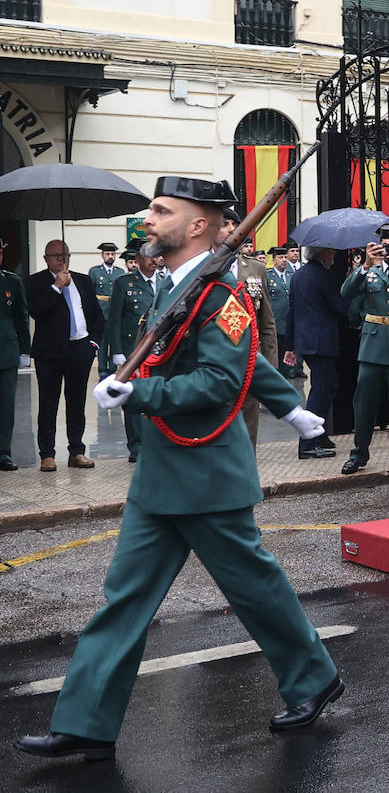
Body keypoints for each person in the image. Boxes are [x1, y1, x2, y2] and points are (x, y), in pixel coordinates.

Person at [15, 176, 340, 763]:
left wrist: (136, 394)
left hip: (207, 472)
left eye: (162, 211)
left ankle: (314, 678)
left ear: (198, 226)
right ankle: (86, 721)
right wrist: (292, 408)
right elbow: (231, 364)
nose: (150, 218)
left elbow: (221, 380)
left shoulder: (219, 297)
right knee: (124, 599)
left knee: (255, 590)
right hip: (165, 472)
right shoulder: (177, 288)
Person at [339, 223, 389, 492]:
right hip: (373, 346)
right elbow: (346, 293)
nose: (388, 248)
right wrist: (364, 264)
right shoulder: (369, 271)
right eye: (385, 243)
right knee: (363, 406)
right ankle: (358, 454)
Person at [26, 240, 104, 472]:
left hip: (80, 349)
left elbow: (98, 317)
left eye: (65, 254)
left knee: (77, 402)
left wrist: (93, 344)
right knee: (48, 404)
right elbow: (36, 311)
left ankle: (77, 451)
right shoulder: (36, 281)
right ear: (46, 258)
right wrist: (56, 287)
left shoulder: (83, 280)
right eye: (56, 255)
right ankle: (47, 454)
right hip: (49, 353)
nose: (61, 259)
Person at [218, 208, 281, 447]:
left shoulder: (255, 269)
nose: (232, 230)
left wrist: (271, 371)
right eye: (225, 224)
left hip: (248, 364)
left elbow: (266, 323)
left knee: (247, 437)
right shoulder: (202, 268)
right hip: (214, 365)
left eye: (236, 225)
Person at [284, 246, 352, 459]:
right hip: (322, 340)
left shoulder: (299, 275)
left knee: (328, 386)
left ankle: (319, 434)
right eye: (331, 252)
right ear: (322, 253)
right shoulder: (323, 275)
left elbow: (291, 311)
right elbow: (339, 306)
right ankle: (308, 442)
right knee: (321, 390)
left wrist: (290, 344)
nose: (333, 256)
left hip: (307, 340)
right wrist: (351, 291)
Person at [101, 239, 157, 463]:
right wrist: (116, 350)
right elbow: (114, 320)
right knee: (132, 398)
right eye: (149, 256)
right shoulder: (124, 283)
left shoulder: (164, 282)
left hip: (157, 351)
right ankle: (136, 445)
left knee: (154, 395)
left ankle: (155, 441)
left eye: (156, 255)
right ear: (138, 259)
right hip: (131, 350)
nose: (154, 261)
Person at [0, 239, 30, 471]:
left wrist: (24, 350)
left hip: (6, 352)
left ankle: (3, 453)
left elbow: (21, 317)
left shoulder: (12, 280)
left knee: (6, 407)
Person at [90, 242, 121, 377]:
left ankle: (113, 369)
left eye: (113, 254)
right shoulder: (95, 272)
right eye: (107, 254)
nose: (110, 256)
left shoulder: (120, 272)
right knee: (102, 343)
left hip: (115, 313)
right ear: (102, 255)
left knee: (114, 341)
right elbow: (90, 293)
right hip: (101, 312)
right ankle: (102, 369)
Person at [266, 246, 294, 375]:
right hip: (275, 323)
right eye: (280, 257)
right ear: (274, 260)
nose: (284, 260)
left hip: (289, 323)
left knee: (287, 359)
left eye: (285, 257)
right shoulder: (268, 276)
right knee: (274, 357)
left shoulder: (291, 275)